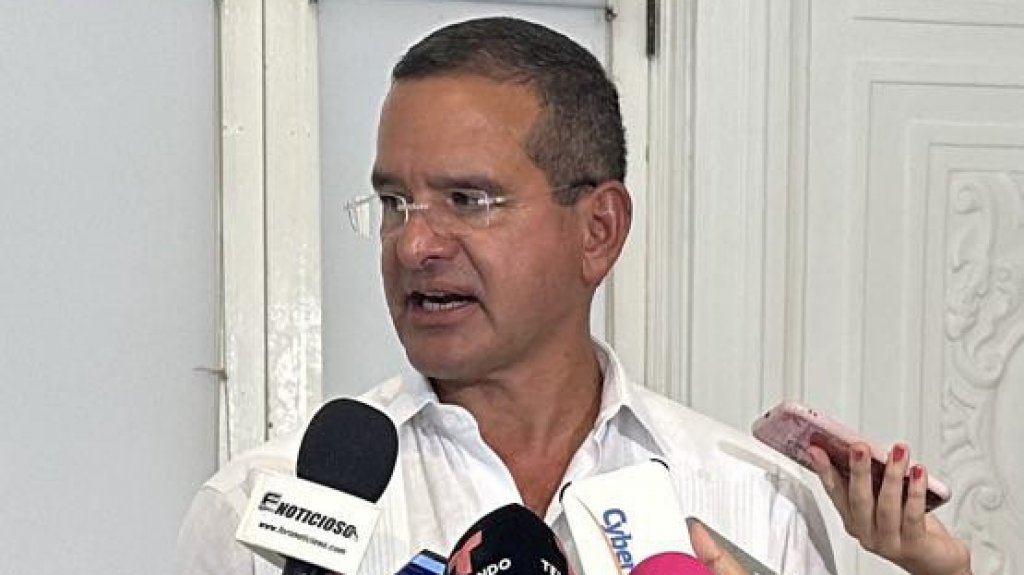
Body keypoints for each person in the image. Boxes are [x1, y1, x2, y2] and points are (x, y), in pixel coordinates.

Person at [175, 17, 970, 575]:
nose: (413, 245)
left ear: (599, 229)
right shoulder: (257, 511)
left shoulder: (758, 502)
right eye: (394, 202)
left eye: (467, 199)